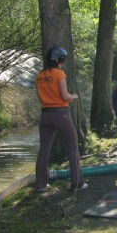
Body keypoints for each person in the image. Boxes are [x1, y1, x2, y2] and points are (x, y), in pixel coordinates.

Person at [35, 46, 87, 191]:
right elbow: (65, 96)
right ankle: (77, 183)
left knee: (44, 150)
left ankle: (40, 185)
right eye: (62, 60)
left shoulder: (39, 75)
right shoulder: (59, 74)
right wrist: (74, 96)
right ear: (59, 60)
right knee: (72, 147)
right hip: (61, 114)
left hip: (45, 115)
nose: (62, 63)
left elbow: (40, 97)